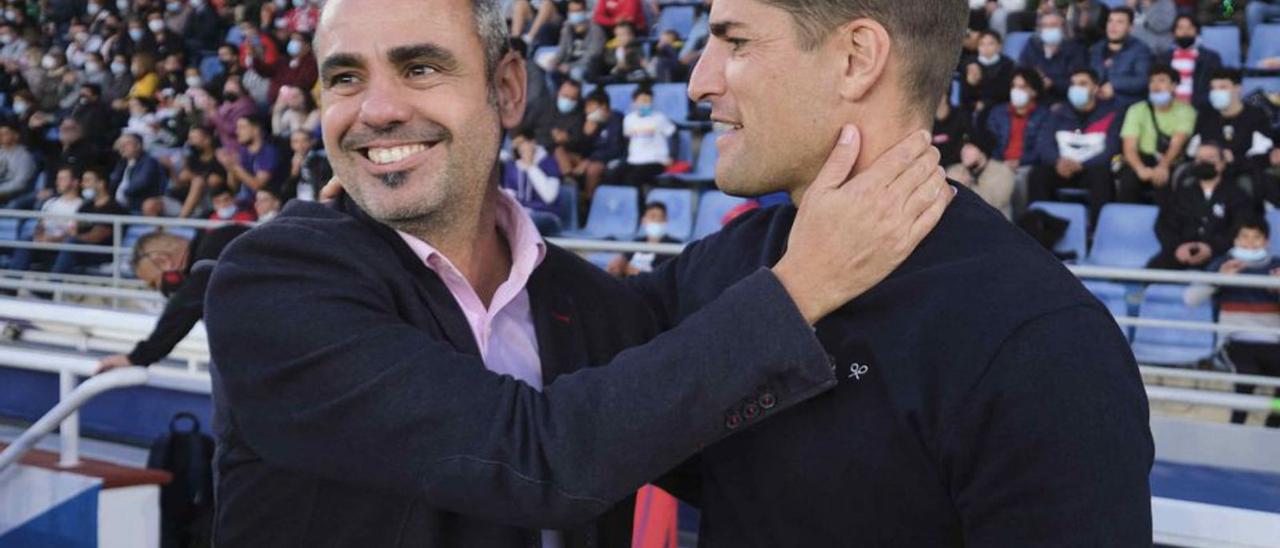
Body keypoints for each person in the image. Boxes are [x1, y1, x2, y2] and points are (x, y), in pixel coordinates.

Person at [316, 0, 1150, 545]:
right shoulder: (727, 267)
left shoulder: (1039, 342)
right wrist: (423, 195)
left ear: (858, 57)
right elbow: (557, 366)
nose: (698, 79)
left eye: (735, 41)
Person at [206, 0, 951, 545]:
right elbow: (536, 457)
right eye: (343, 79)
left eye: (420, 67)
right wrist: (805, 284)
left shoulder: (586, 302)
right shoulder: (273, 282)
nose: (376, 109)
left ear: (506, 89)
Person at [95, 224, 252, 373]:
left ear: (163, 260)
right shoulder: (212, 248)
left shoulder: (215, 246)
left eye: (156, 283)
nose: (163, 291)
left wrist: (137, 357)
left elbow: (189, 300)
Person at [1185, 219, 1280, 428]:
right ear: (1235, 240)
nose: (1250, 243)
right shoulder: (1223, 263)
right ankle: (1237, 426)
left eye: (1256, 238)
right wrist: (1220, 279)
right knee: (1247, 379)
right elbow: (1190, 298)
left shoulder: (1277, 266)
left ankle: (1273, 423)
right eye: (1244, 237)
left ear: (1266, 241)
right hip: (1235, 341)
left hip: (1274, 342)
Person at [1028, 68, 1123, 224]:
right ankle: (1042, 229)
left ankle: (1098, 230)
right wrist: (1057, 161)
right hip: (1061, 168)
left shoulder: (1111, 114)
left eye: (1083, 83)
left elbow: (1112, 149)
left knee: (1102, 175)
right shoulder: (1057, 113)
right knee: (1037, 174)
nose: (1076, 88)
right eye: (1073, 84)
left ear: (1095, 88)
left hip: (1091, 170)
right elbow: (1043, 144)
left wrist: (1081, 165)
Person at [1148, 141, 1251, 270]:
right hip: (1180, 253)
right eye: (1199, 158)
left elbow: (1240, 228)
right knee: (1152, 270)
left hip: (1221, 255)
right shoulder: (1181, 193)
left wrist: (1210, 248)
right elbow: (1164, 224)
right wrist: (1178, 247)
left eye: (1210, 158)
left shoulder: (1237, 195)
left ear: (1222, 164)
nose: (1203, 162)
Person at [1194, 69, 1280, 204]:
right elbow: (1193, 150)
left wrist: (1234, 160)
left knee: (1246, 184)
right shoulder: (1206, 115)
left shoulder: (1256, 116)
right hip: (1208, 171)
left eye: (1223, 87)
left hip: (1244, 171)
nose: (1217, 92)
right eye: (1213, 88)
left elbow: (1266, 156)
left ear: (1238, 89)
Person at [1117, 64, 1196, 203]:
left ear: (1173, 86)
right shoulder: (1136, 109)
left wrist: (1163, 166)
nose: (1155, 85)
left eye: (1161, 80)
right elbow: (1129, 147)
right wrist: (1140, 169)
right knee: (1128, 179)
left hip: (1171, 159)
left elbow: (1176, 145)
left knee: (1165, 181)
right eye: (1152, 81)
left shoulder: (1186, 111)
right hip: (1143, 158)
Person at [8, 167, 84, 273]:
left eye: (63, 179)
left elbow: (74, 233)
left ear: (75, 182)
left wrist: (53, 239)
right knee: (26, 239)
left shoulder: (82, 205)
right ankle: (12, 284)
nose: (58, 182)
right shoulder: (50, 202)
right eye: (58, 179)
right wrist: (40, 236)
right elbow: (40, 225)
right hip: (44, 244)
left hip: (62, 247)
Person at [502, 127, 565, 234]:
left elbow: (549, 196)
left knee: (525, 223)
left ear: (533, 142)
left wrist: (531, 167)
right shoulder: (512, 166)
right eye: (517, 145)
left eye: (523, 143)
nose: (520, 148)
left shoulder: (548, 162)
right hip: (522, 214)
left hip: (546, 215)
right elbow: (510, 196)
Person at [1018, 10, 1087, 104]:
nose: (1048, 29)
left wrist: (1052, 83)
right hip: (1032, 97)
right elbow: (1021, 70)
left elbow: (1078, 80)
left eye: (1053, 25)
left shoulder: (1075, 49)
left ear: (1063, 28)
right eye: (1045, 26)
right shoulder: (1032, 45)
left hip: (1062, 100)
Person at [1156, 15, 1223, 111]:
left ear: (1197, 31)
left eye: (1189, 28)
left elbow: (1216, 86)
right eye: (1180, 28)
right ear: (1174, 32)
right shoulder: (1163, 58)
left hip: (1199, 109)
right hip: (1168, 109)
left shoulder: (1210, 58)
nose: (1185, 32)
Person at [1089, 7, 1154, 106]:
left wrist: (1113, 85)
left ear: (1130, 28)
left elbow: (1142, 80)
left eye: (1120, 22)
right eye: (1110, 21)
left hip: (1127, 107)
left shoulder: (1141, 50)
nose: (1113, 26)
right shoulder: (1096, 49)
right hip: (1096, 105)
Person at [215, 115, 285, 205]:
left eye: (242, 127)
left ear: (256, 130)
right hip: (245, 200)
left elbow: (257, 185)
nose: (237, 131)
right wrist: (229, 167)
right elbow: (233, 186)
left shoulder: (269, 152)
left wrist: (235, 166)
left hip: (266, 202)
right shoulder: (243, 151)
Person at [606, 201, 682, 276]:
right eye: (652, 217)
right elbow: (622, 261)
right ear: (643, 220)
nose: (656, 221)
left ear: (666, 221)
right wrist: (617, 266)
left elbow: (659, 278)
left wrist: (630, 270)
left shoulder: (673, 246)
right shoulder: (636, 243)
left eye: (660, 218)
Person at [621, 86, 676, 188]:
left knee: (634, 177)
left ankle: (639, 203)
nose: (645, 104)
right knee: (614, 173)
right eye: (642, 100)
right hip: (633, 160)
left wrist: (671, 156)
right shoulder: (628, 119)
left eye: (648, 101)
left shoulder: (659, 118)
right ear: (634, 102)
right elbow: (627, 141)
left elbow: (673, 135)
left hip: (656, 160)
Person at [945, 140, 1015, 219]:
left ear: (981, 151)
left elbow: (994, 203)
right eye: (962, 147)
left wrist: (965, 187)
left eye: (969, 147)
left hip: (995, 223)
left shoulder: (1002, 171)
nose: (963, 151)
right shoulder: (954, 170)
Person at [577, 89, 626, 201]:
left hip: (613, 158)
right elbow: (584, 150)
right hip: (593, 157)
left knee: (593, 169)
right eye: (586, 107)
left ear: (603, 106)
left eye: (591, 107)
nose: (587, 111)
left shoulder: (617, 120)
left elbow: (615, 149)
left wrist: (590, 159)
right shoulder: (590, 122)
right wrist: (587, 136)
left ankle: (589, 202)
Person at [109, 132, 168, 214]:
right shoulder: (122, 163)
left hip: (138, 204)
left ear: (138, 146)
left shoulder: (148, 162)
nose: (122, 147)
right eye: (121, 144)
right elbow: (113, 181)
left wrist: (122, 192)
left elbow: (141, 183)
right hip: (121, 204)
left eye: (127, 144)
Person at [961, 30, 1014, 114]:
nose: (986, 47)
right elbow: (964, 95)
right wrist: (970, 83)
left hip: (998, 106)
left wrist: (980, 81)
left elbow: (1005, 92)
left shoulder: (1008, 65)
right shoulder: (969, 63)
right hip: (971, 107)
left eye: (990, 43)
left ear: (999, 47)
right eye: (982, 44)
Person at [0, 120, 38, 205]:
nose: (1, 136)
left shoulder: (24, 156)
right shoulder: (1, 152)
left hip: (16, 195)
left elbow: (20, 184)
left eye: (5, 133)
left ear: (16, 135)